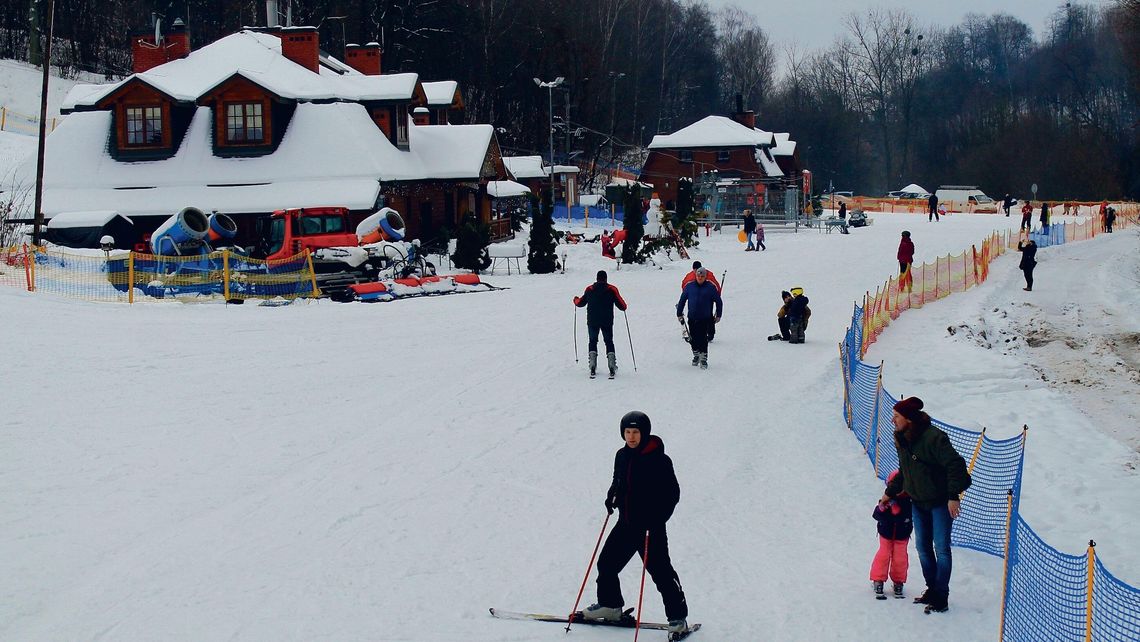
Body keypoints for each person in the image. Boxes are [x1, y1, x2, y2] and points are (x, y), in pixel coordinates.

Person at [583, 411, 690, 636]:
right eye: (627, 432)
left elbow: (672, 493)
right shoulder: (622, 456)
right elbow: (618, 481)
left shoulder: (659, 459)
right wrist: (612, 495)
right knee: (607, 565)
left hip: (651, 528)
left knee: (660, 572)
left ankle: (678, 618)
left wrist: (658, 516)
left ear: (645, 433)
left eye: (636, 432)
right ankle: (611, 606)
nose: (631, 437)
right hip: (626, 524)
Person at [882, 397, 971, 614]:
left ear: (909, 419)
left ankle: (942, 596)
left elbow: (956, 465)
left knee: (941, 549)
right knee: (922, 548)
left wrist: (953, 496)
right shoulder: (902, 439)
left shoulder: (934, 438)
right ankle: (932, 589)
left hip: (940, 502)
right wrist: (889, 493)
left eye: (897, 417)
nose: (893, 420)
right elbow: (905, 471)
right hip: (918, 502)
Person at [573, 270, 628, 378]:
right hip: (607, 320)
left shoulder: (589, 289)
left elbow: (580, 303)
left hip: (592, 320)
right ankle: (612, 365)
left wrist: (575, 300)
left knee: (593, 341)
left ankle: (592, 365)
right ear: (606, 278)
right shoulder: (612, 289)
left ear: (597, 278)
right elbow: (622, 306)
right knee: (609, 341)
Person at [871, 470, 912, 600]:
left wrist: (897, 510)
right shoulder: (887, 498)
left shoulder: (909, 501)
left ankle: (898, 581)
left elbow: (906, 516)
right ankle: (878, 580)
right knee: (883, 554)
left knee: (900, 558)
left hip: (902, 534)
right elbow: (876, 515)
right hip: (886, 533)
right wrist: (882, 508)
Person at [677, 267, 723, 369]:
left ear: (705, 277)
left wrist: (718, 314)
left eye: (702, 276)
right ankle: (696, 354)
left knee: (702, 339)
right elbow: (682, 300)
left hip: (705, 318)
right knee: (692, 338)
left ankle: (703, 358)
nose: (700, 278)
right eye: (698, 276)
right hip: (692, 318)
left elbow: (719, 302)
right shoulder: (689, 287)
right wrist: (679, 313)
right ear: (696, 276)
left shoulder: (710, 288)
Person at [681, 261, 722, 342]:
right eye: (694, 270)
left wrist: (717, 297)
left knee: (708, 315)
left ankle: (710, 333)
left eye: (697, 269)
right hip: (694, 300)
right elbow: (684, 286)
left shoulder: (708, 275)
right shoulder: (689, 277)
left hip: (707, 299)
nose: (696, 272)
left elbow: (716, 286)